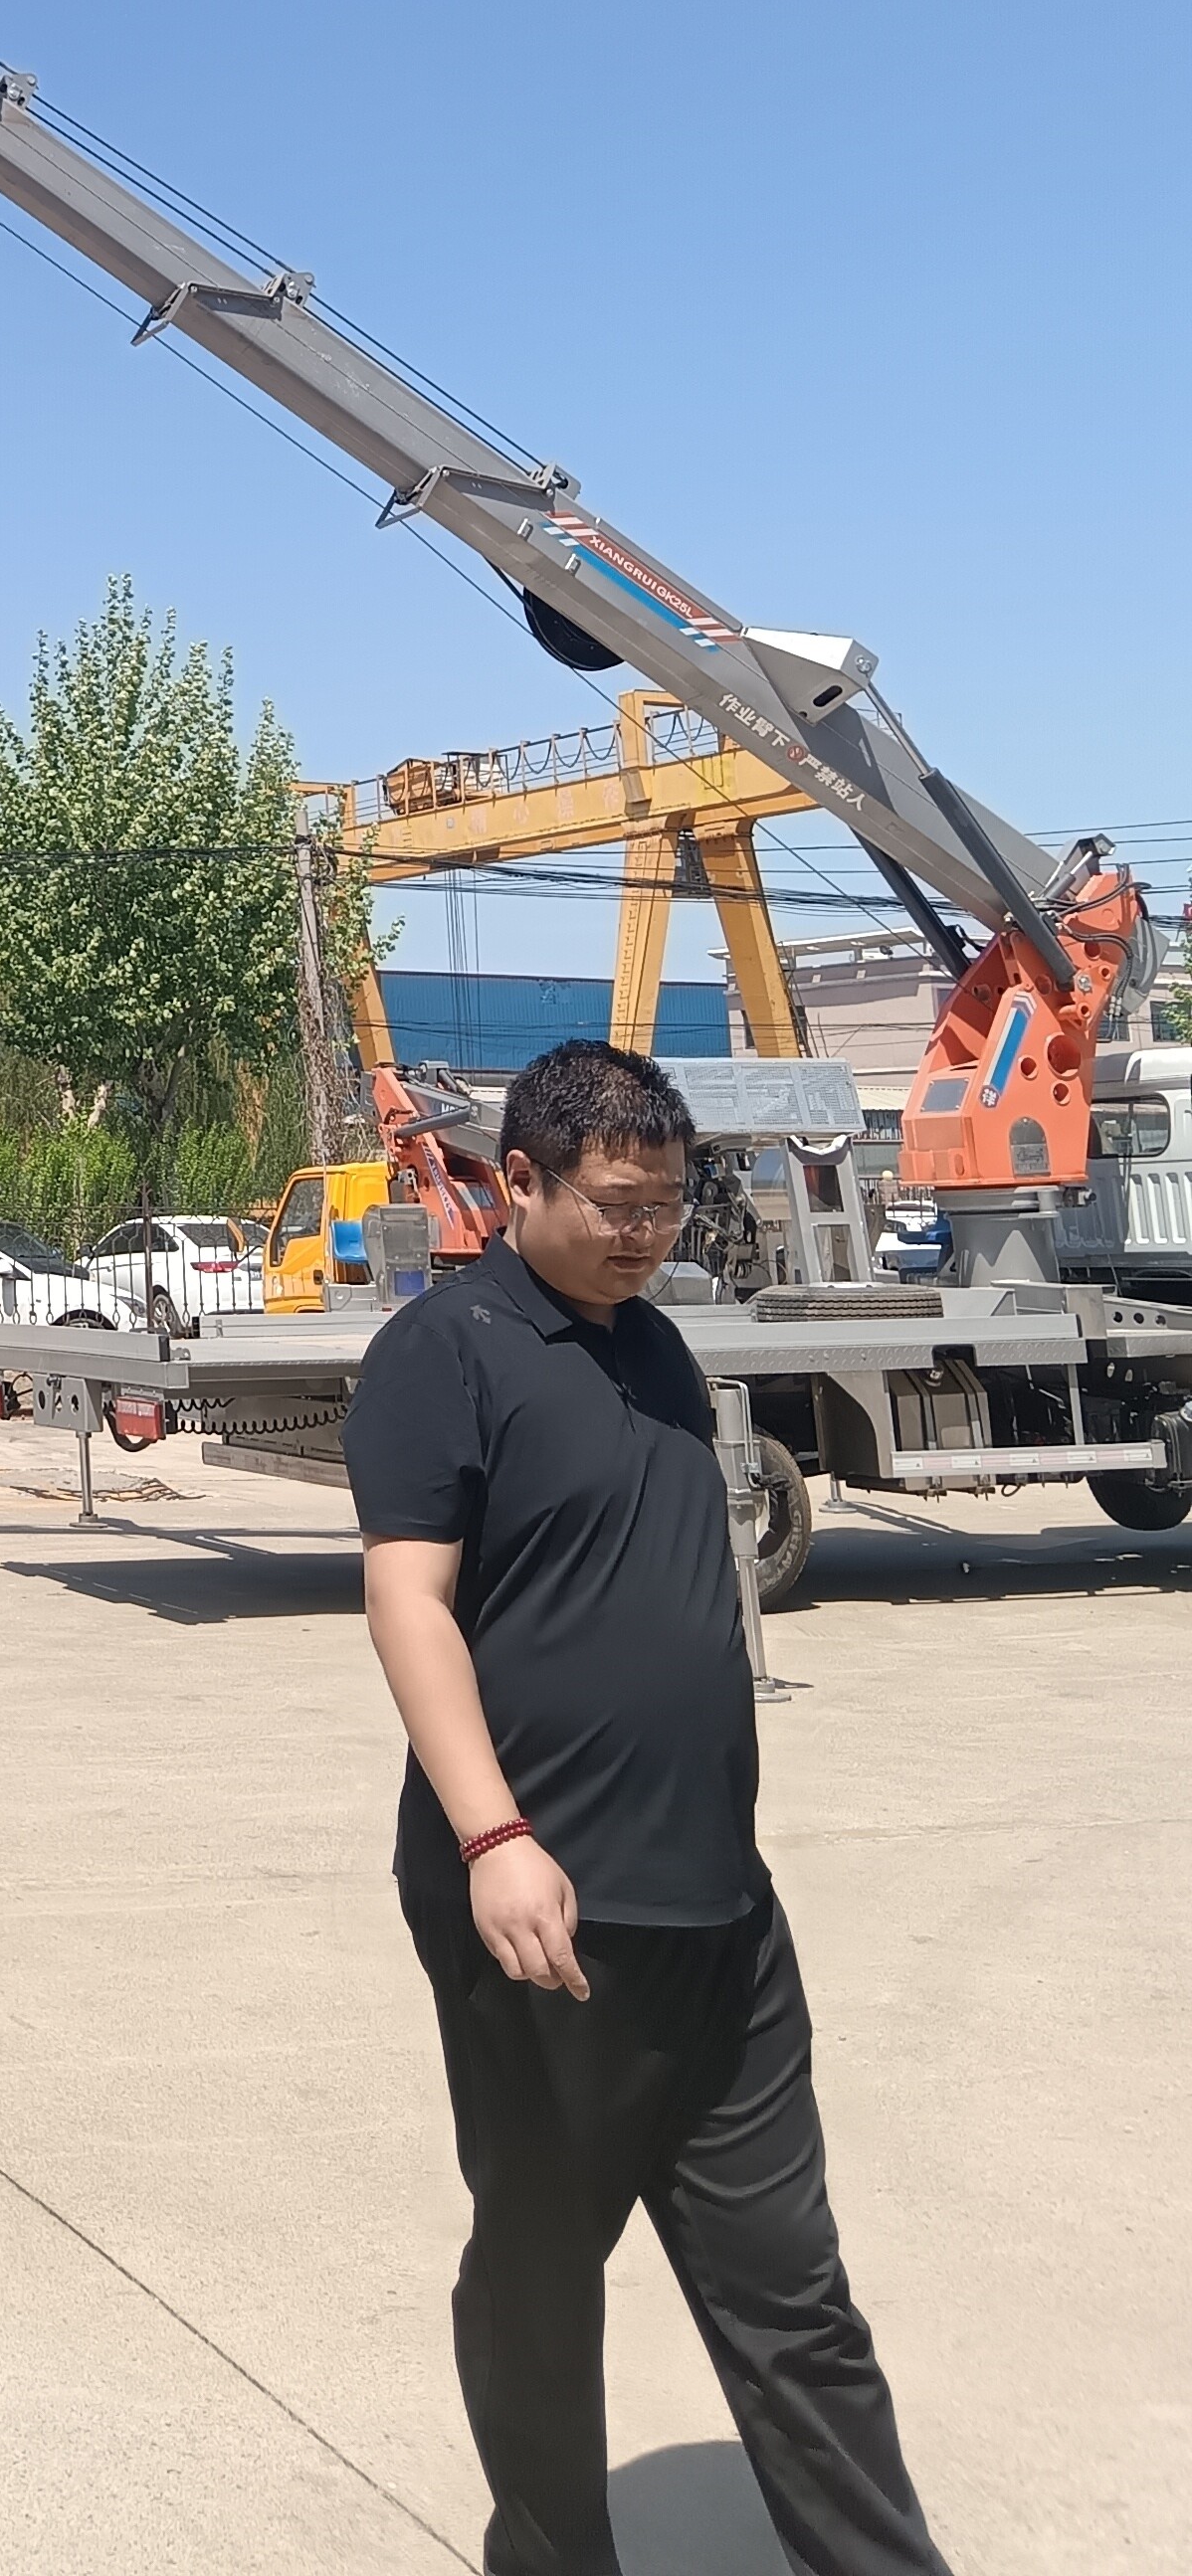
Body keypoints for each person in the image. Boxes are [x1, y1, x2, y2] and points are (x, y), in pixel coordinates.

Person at [344, 1036, 946, 2576]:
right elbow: (410, 1604)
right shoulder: (449, 1352)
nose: (646, 1233)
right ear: (520, 1181)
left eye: (667, 1206)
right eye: (615, 1204)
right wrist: (493, 1837)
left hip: (720, 1913)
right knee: (545, 2276)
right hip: (550, 1919)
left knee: (793, 2294)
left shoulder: (657, 1348)